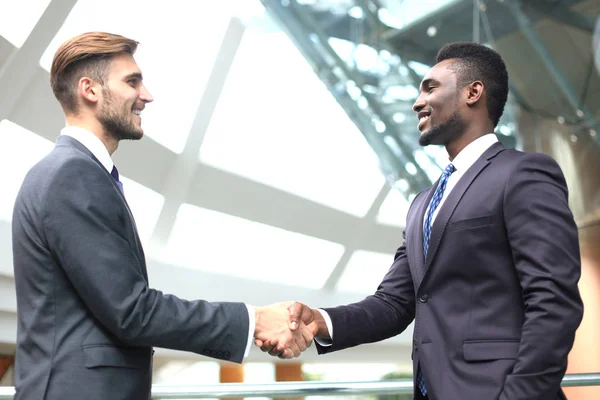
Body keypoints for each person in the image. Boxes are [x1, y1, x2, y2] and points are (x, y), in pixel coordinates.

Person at [259, 42, 584, 400]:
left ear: (473, 92)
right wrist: (319, 321)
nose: (417, 101)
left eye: (430, 87)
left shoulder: (523, 173)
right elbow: (394, 304)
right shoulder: (422, 203)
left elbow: (554, 300)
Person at [11, 31, 313, 400]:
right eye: (132, 82)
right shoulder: (72, 175)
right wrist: (254, 320)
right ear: (89, 90)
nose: (147, 95)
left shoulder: (75, 173)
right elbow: (131, 311)